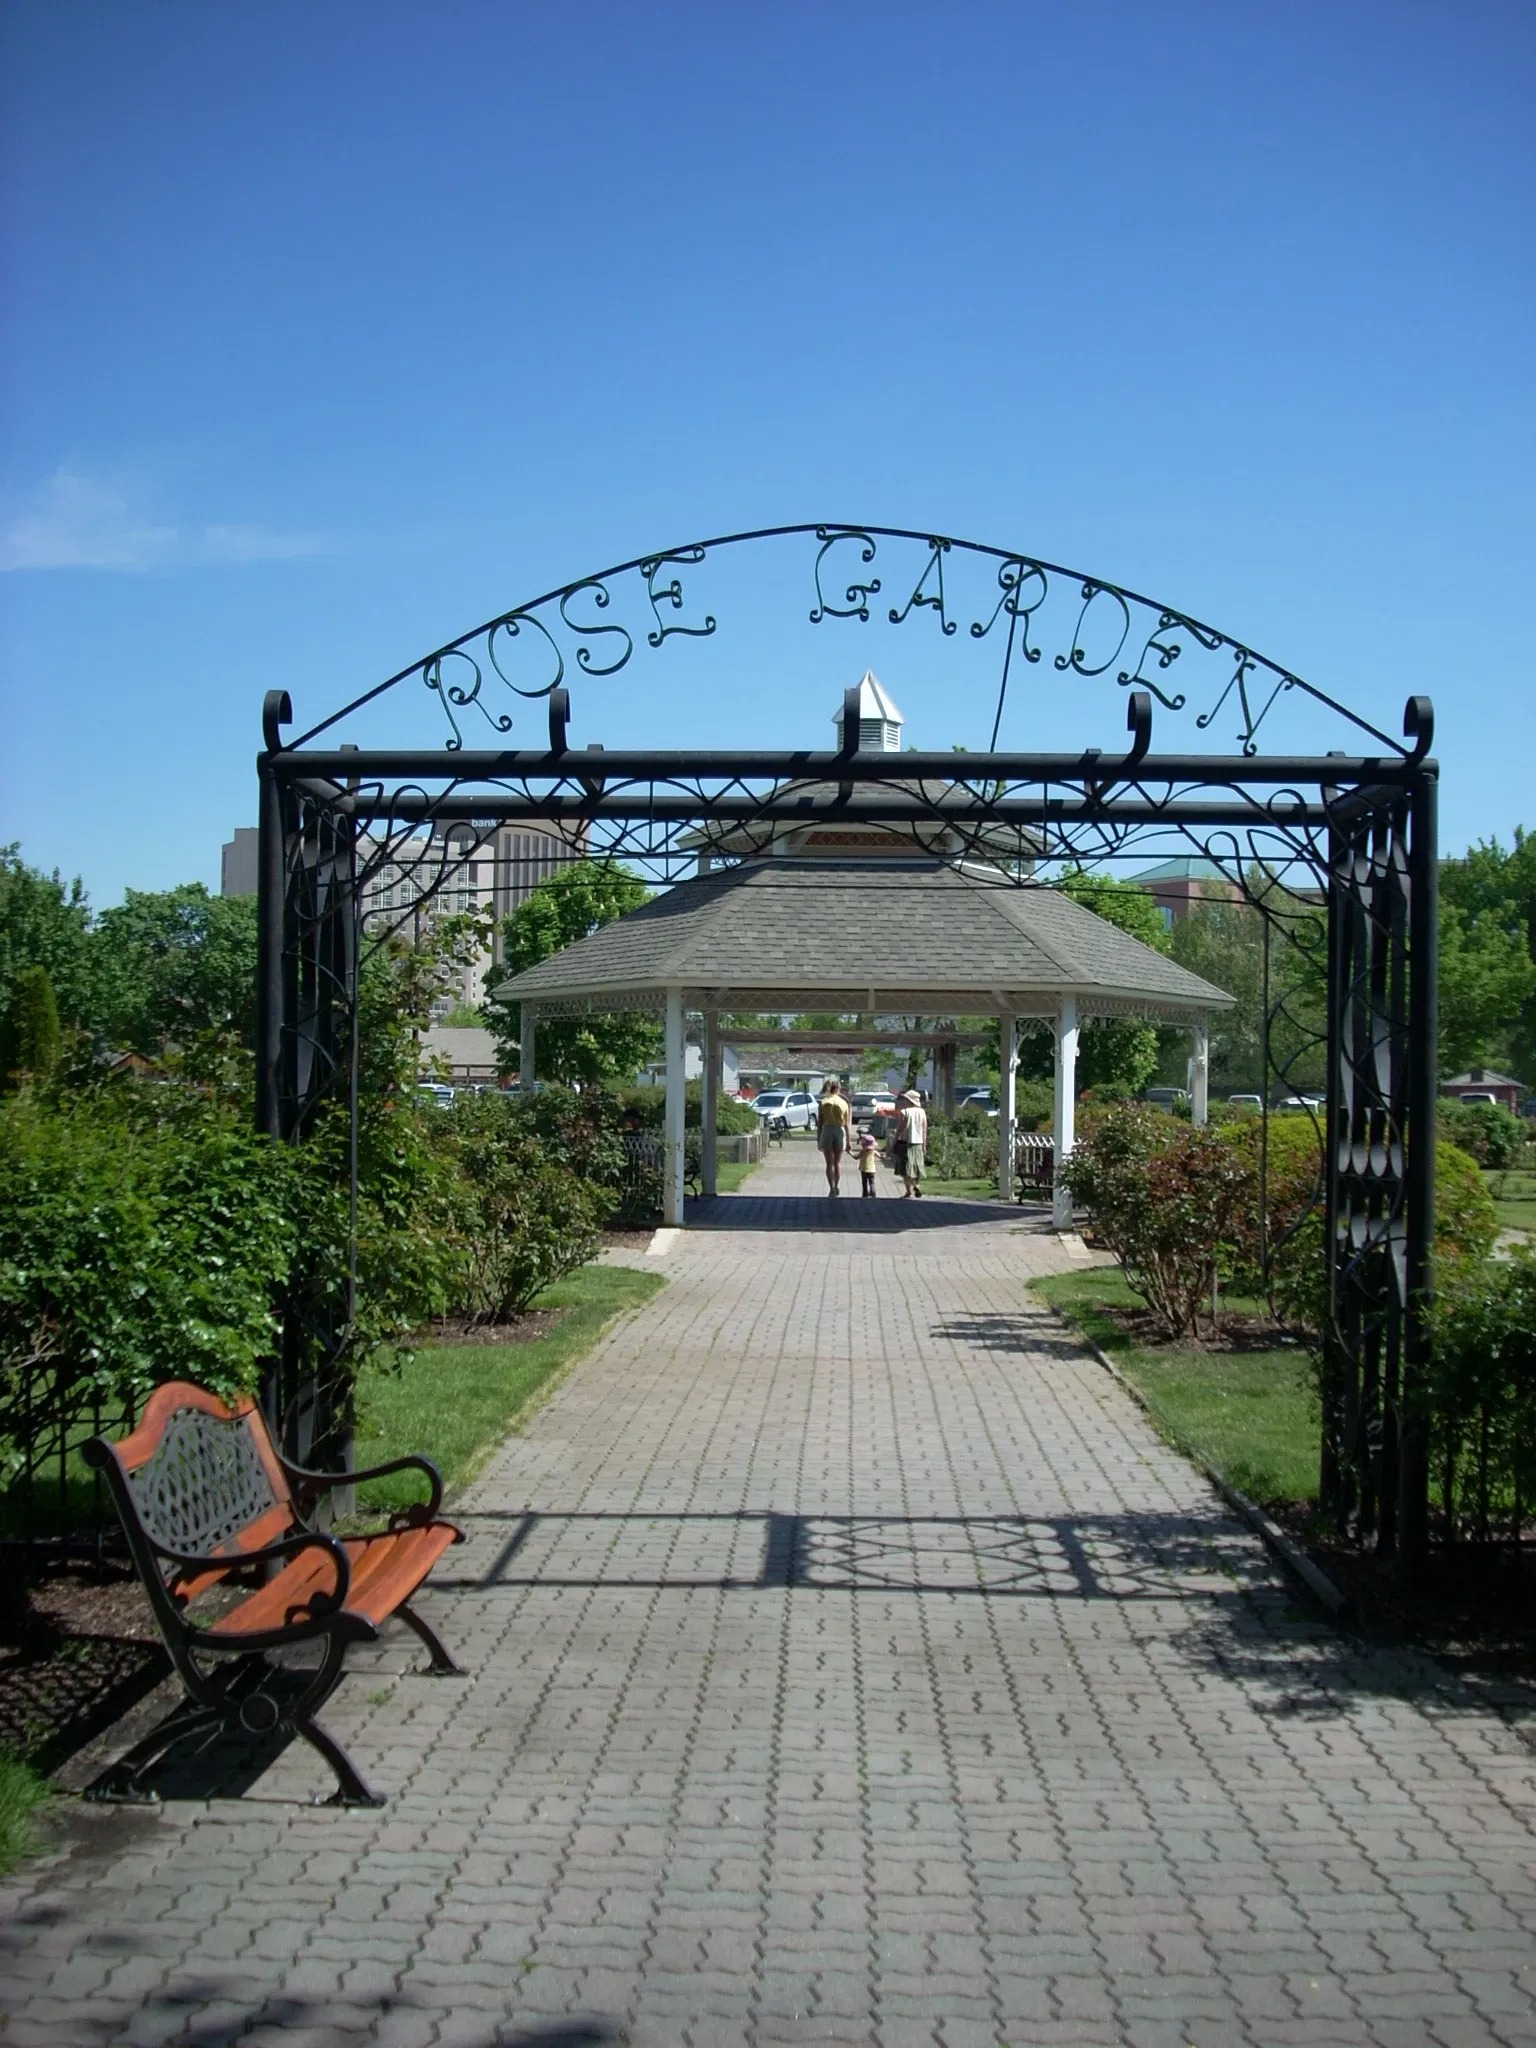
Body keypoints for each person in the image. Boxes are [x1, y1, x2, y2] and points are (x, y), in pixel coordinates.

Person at [816, 1078, 853, 1195]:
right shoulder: (843, 1103)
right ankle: (836, 1186)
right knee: (837, 1162)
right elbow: (847, 1124)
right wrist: (849, 1140)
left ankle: (831, 1187)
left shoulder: (823, 1102)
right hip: (839, 1130)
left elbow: (820, 1123)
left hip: (827, 1130)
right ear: (838, 1089)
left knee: (829, 1163)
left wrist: (819, 1138)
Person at [897, 1087, 928, 1198]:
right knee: (917, 1167)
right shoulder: (922, 1112)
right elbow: (924, 1130)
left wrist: (895, 1141)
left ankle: (909, 1191)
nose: (904, 1101)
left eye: (906, 1099)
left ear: (909, 1100)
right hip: (918, 1143)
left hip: (906, 1143)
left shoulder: (904, 1112)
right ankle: (917, 1184)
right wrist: (924, 1145)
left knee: (905, 1169)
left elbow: (900, 1129)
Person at [857, 1129, 880, 1198]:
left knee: (864, 1182)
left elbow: (856, 1157)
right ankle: (873, 1193)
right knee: (871, 1182)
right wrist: (886, 1156)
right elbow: (881, 1156)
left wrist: (850, 1152)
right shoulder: (874, 1151)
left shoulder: (862, 1151)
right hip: (872, 1170)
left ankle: (865, 1194)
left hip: (863, 1169)